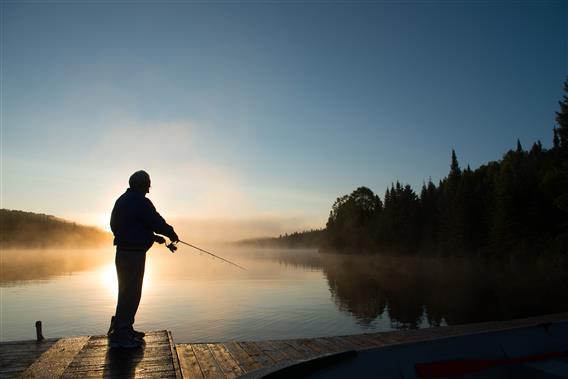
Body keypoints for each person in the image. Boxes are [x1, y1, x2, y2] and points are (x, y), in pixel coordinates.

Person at [108, 170, 178, 348]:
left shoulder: (122, 200)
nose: (149, 189)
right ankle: (122, 334)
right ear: (142, 185)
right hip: (133, 253)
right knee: (131, 292)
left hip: (124, 251)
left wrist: (152, 237)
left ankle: (124, 327)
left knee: (126, 291)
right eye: (148, 185)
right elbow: (155, 221)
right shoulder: (140, 201)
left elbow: (122, 226)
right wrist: (170, 232)